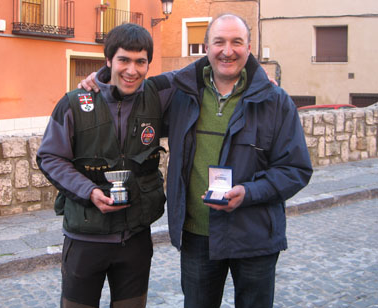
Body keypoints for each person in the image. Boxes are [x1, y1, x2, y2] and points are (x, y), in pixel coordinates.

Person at [81, 14, 313, 308]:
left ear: (249, 47)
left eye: (236, 42)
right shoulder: (181, 91)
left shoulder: (275, 100)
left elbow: (296, 169)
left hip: (255, 237)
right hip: (197, 237)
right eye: (219, 42)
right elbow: (136, 87)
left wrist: (249, 192)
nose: (227, 50)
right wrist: (101, 78)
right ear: (206, 47)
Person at [37, 23, 174, 308]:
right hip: (85, 237)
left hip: (135, 237)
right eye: (124, 59)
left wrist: (256, 76)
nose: (132, 70)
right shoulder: (74, 103)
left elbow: (210, 66)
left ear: (149, 63)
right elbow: (50, 157)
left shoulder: (158, 95)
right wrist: (89, 191)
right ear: (109, 59)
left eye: (141, 61)